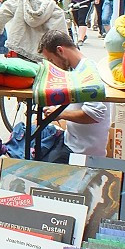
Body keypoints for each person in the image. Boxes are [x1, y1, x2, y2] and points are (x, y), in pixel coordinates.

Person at [36, 31, 111, 163]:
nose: (53, 65)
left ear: (60, 50)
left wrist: (59, 114)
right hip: (71, 141)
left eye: (51, 60)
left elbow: (95, 114)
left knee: (36, 165)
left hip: (81, 151)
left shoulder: (89, 72)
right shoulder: (77, 70)